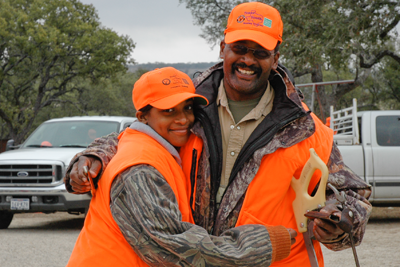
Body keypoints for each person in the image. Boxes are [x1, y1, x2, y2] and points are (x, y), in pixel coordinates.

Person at [65, 2, 372, 266]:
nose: (248, 60)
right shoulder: (188, 104)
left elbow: (353, 198)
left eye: (260, 52)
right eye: (240, 48)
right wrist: (93, 155)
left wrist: (343, 221)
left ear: (276, 58)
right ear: (223, 47)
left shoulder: (307, 130)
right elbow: (135, 138)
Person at [66, 67, 296, 266]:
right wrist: (264, 243)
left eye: (188, 108)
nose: (183, 119)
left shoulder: (148, 145)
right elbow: (175, 248)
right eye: (168, 111)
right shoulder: (140, 170)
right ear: (143, 116)